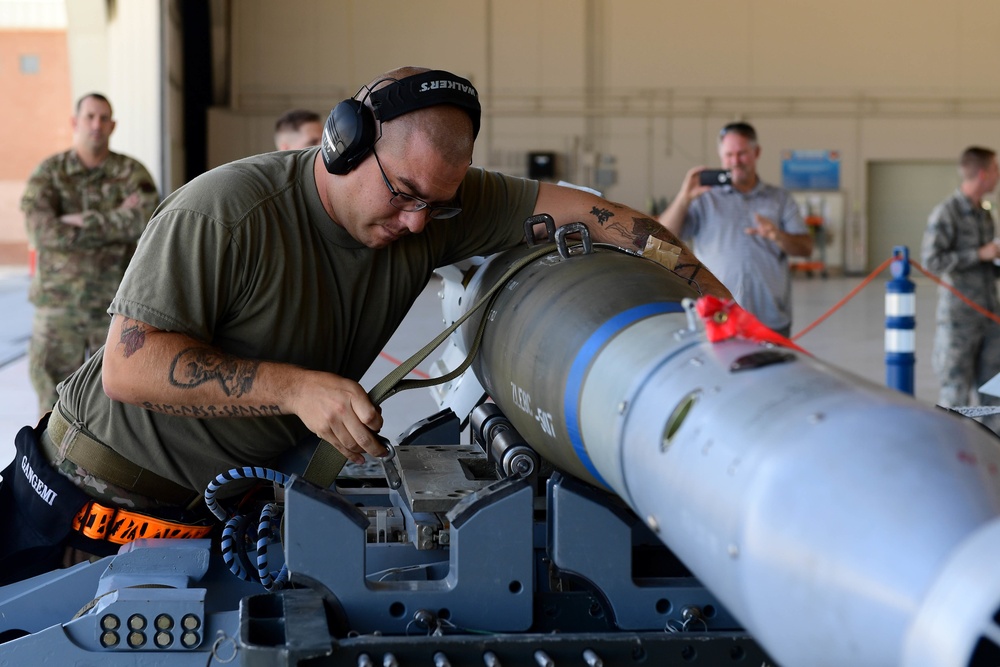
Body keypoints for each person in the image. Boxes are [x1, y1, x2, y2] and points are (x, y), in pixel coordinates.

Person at [0, 66, 730, 583]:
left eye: (437, 206)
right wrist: (296, 390)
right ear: (343, 143)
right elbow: (131, 367)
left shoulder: (433, 211)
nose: (416, 222)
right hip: (90, 506)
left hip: (208, 511)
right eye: (403, 192)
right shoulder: (227, 211)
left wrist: (730, 323)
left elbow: (615, 222)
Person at [20, 92, 159, 416]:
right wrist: (115, 220)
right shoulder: (50, 172)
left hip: (114, 308)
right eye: (90, 116)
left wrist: (77, 221)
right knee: (49, 400)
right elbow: (40, 232)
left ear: (113, 125)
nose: (97, 124)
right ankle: (46, 465)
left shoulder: (131, 172)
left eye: (104, 118)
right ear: (75, 121)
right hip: (58, 309)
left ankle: (98, 467)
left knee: (113, 404)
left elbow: (146, 223)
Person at [657, 121, 813, 337]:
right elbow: (662, 240)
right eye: (729, 155)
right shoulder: (704, 199)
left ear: (756, 152)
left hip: (770, 318)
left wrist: (777, 235)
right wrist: (684, 198)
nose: (735, 162)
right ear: (721, 156)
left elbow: (805, 248)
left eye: (742, 154)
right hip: (717, 315)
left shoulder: (780, 199)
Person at [921, 146, 1000, 430]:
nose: (998, 175)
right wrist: (979, 254)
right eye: (995, 169)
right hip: (959, 319)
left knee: (995, 391)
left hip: (990, 318)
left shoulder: (984, 214)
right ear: (982, 174)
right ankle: (955, 454)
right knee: (955, 392)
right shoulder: (947, 213)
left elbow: (988, 263)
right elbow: (931, 261)